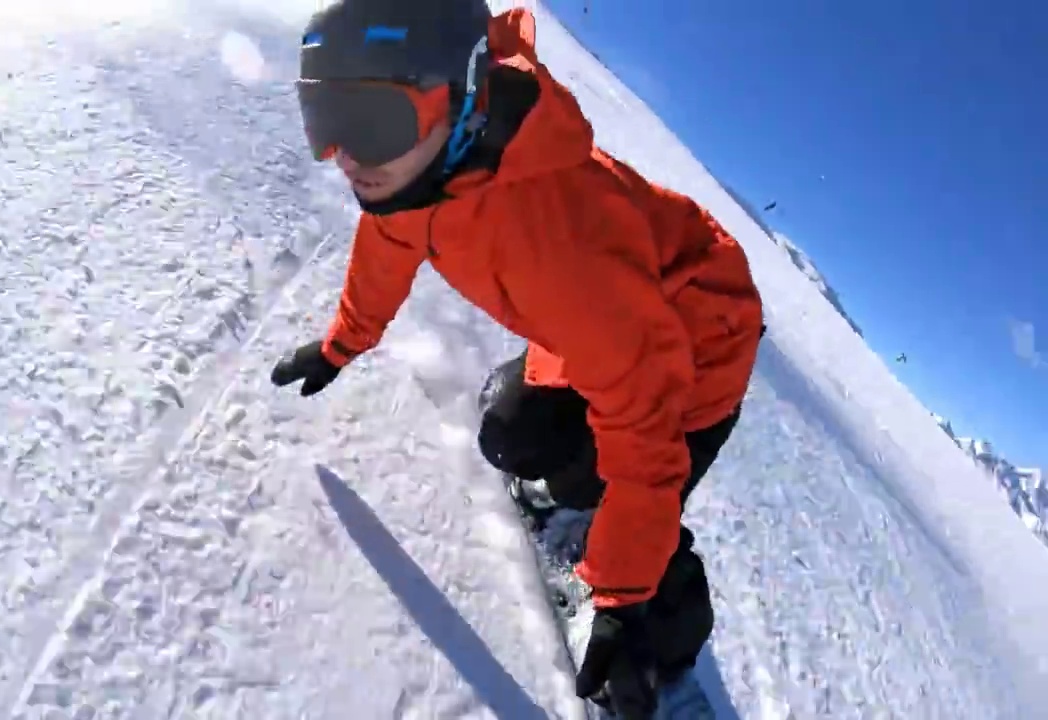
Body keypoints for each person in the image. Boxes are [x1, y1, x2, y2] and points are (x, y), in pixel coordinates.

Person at [269, 1, 765, 716]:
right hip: (602, 335)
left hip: (699, 342)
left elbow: (649, 437)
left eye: (373, 122)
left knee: (640, 510)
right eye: (325, 120)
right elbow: (387, 244)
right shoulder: (423, 166)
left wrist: (622, 599)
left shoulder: (567, 241)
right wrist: (341, 342)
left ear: (467, 92)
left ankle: (664, 643)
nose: (345, 157)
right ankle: (593, 505)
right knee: (512, 432)